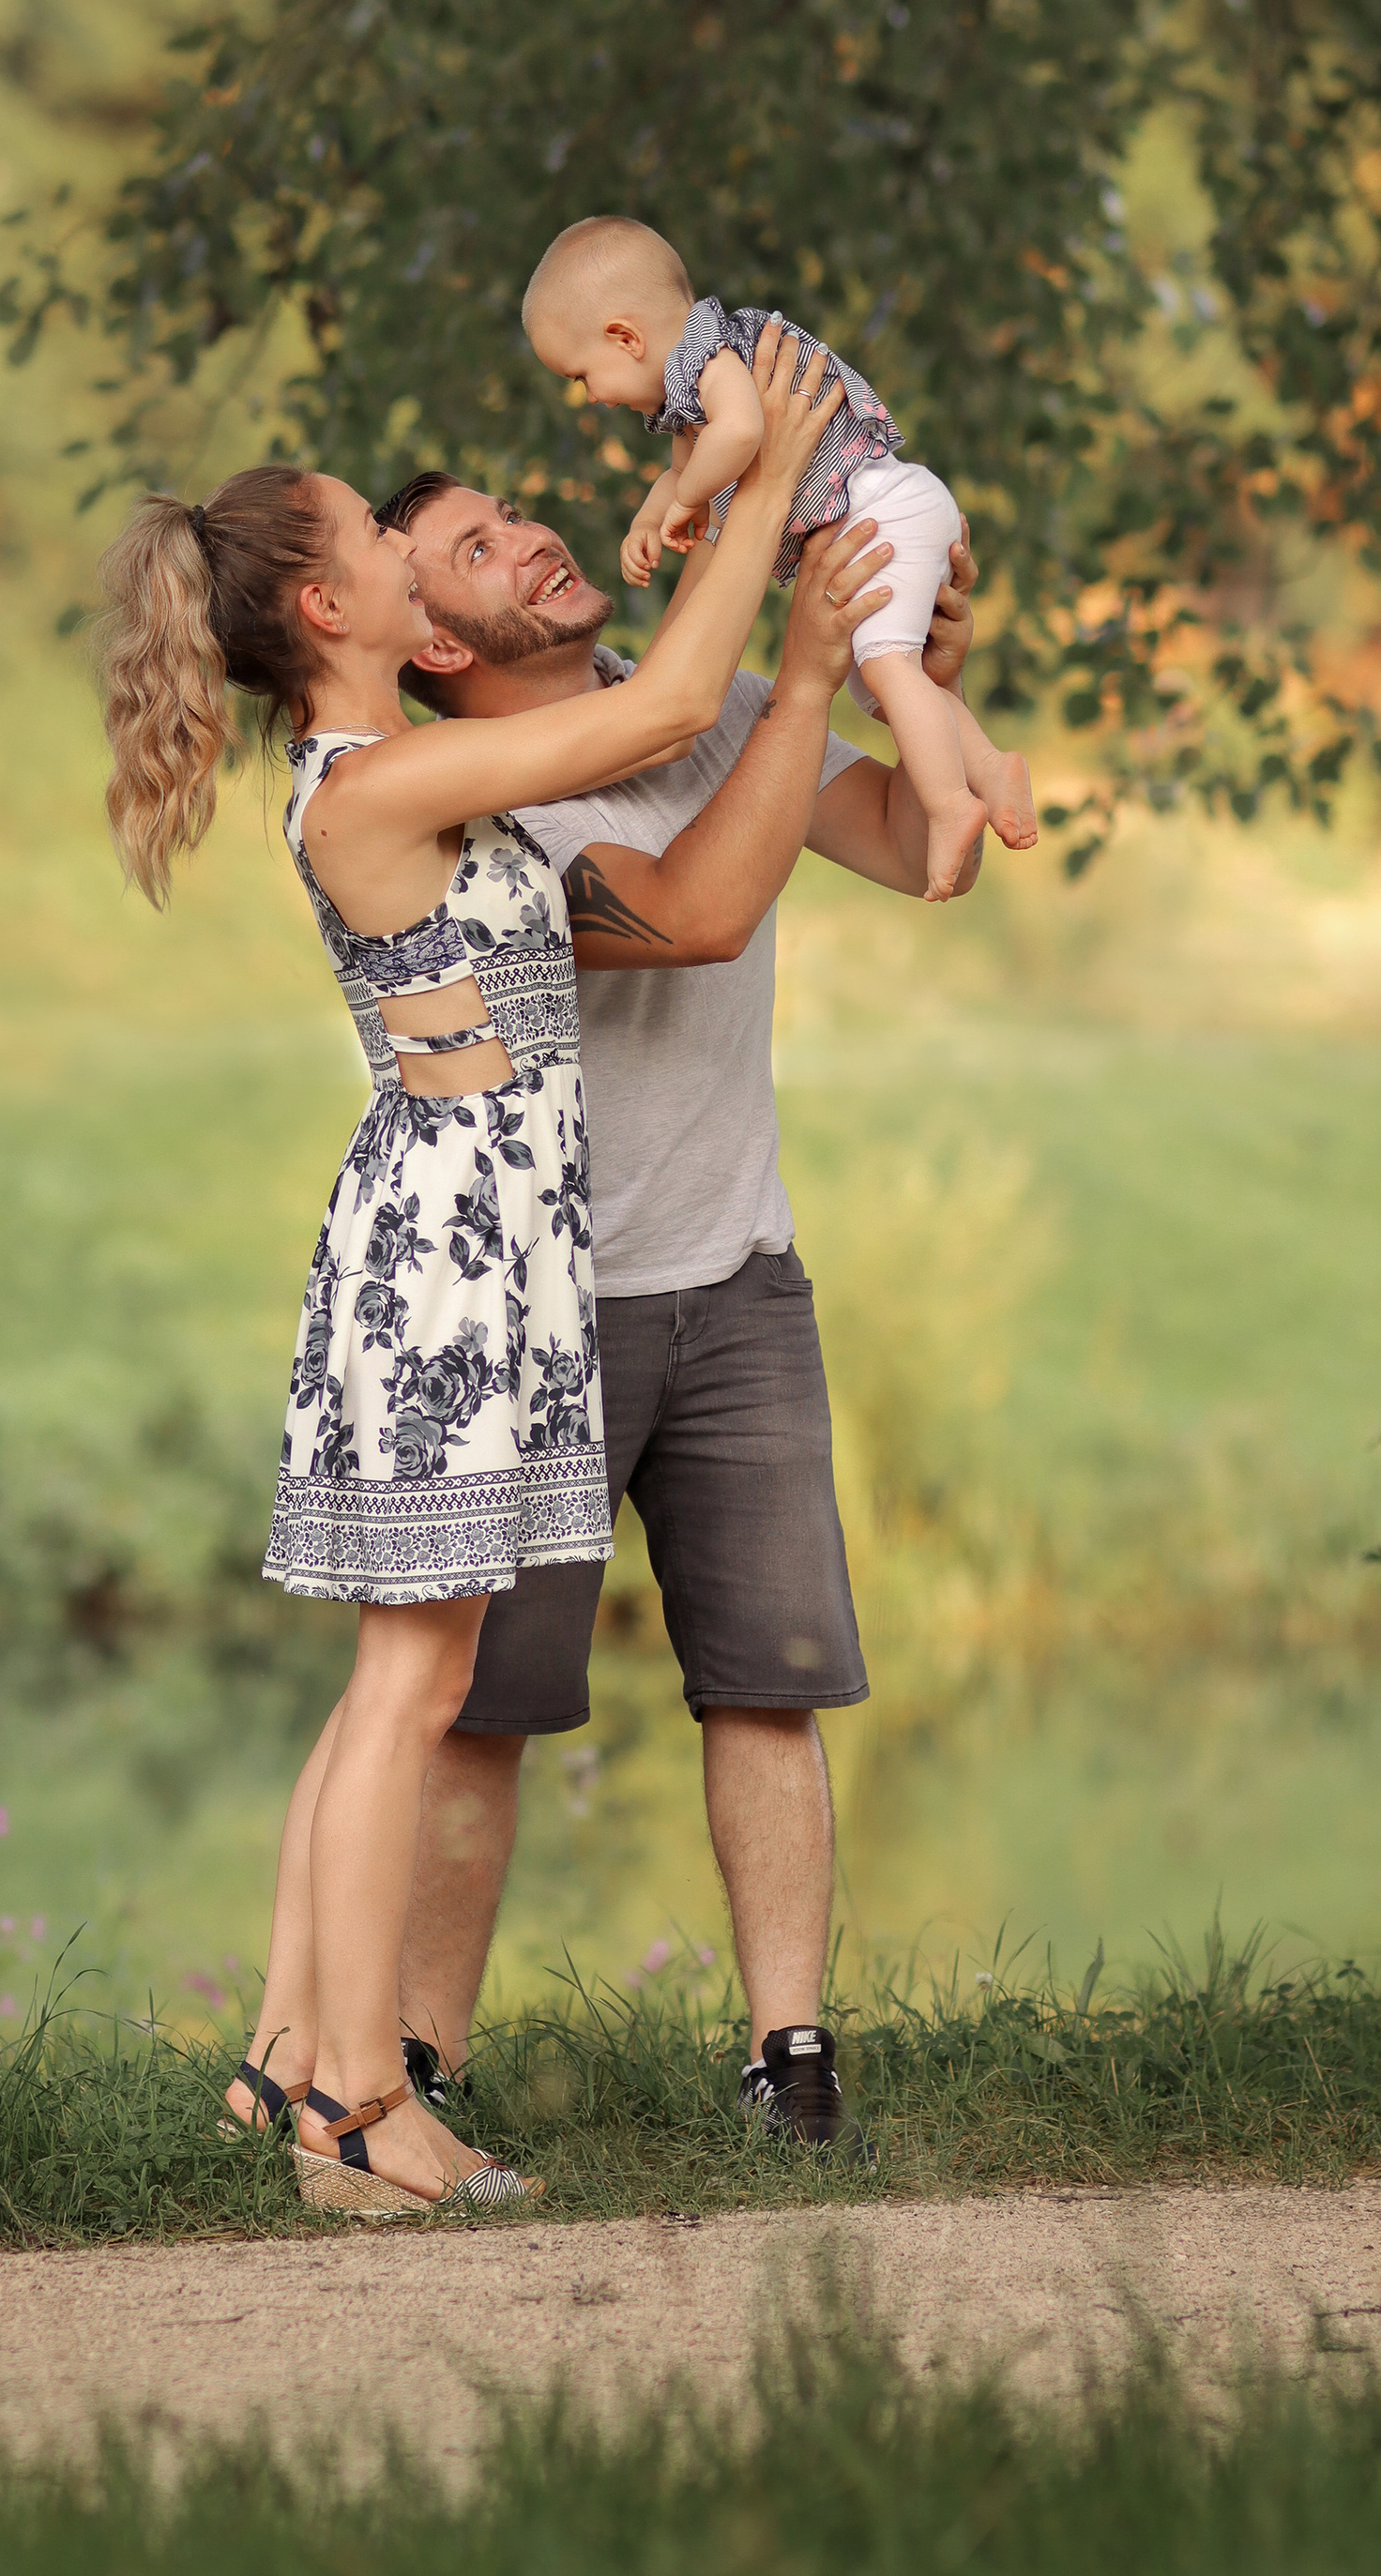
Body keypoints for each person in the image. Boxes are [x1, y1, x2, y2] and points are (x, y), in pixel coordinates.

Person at [93, 388, 807, 2214]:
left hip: (486, 1251)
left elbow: (663, 820)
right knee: (410, 1687)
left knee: (392, 1689)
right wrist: (767, 486)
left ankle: (286, 2061)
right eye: (380, 536)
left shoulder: (400, 764)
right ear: (328, 607)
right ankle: (358, 2102)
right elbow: (660, 709)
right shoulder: (372, 784)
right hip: (451, 1267)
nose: (414, 553)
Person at [378, 328, 1037, 2151]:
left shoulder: (713, 702)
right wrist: (807, 667)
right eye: (476, 546)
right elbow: (689, 913)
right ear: (434, 645)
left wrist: (909, 682)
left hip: (738, 1278)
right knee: (479, 1709)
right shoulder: (466, 810)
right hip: (538, 1312)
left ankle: (790, 2064)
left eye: (515, 510)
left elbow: (915, 853)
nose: (531, 534)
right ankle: (415, 2067)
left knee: (770, 1682)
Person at [523, 213, 1034, 898]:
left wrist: (688, 501)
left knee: (886, 667)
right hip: (875, 512)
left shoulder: (711, 358)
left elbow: (739, 434)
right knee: (879, 686)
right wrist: (652, 517)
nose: (591, 396)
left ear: (625, 337)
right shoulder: (685, 388)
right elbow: (684, 473)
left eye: (582, 375)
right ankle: (989, 768)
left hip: (881, 504)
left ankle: (950, 805)